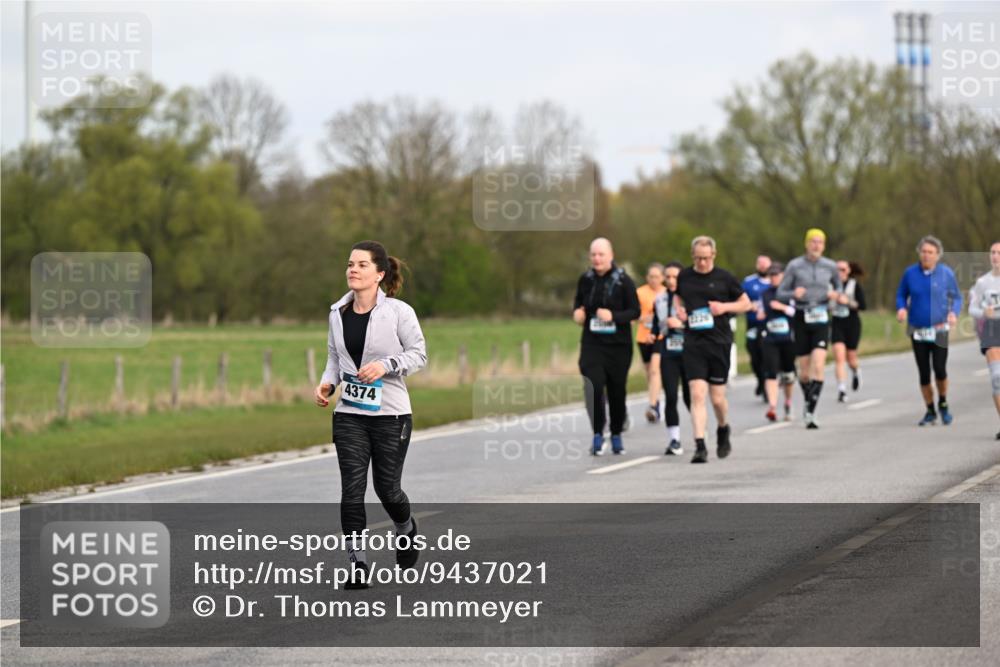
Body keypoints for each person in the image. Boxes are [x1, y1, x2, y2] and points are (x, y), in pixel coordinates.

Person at [314, 240, 427, 589]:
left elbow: (419, 355)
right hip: (350, 413)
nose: (352, 269)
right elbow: (336, 358)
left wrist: (385, 365)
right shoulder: (338, 313)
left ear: (379, 274)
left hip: (392, 414)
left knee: (387, 489)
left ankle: (406, 528)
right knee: (352, 489)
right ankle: (358, 565)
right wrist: (327, 384)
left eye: (361, 265)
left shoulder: (398, 312)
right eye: (350, 264)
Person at [674, 236, 752, 463]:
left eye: (706, 259)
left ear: (713, 256)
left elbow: (746, 303)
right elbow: (678, 297)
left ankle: (723, 427)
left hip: (718, 342)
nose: (702, 263)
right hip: (693, 342)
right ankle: (700, 445)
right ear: (692, 256)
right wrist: (679, 311)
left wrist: (724, 307)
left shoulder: (725, 278)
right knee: (697, 393)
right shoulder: (685, 276)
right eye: (698, 259)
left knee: (717, 398)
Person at [573, 238, 641, 455]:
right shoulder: (586, 280)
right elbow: (578, 305)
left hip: (618, 346)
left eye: (601, 254)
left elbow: (635, 312)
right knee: (593, 386)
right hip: (592, 343)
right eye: (593, 254)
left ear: (611, 256)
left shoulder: (624, 281)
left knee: (616, 391)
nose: (597, 259)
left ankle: (616, 433)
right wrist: (578, 314)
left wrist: (613, 316)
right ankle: (597, 434)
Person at [777, 228, 845, 429]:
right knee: (804, 371)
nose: (816, 245)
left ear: (824, 246)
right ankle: (809, 400)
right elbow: (781, 292)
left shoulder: (830, 266)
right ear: (806, 244)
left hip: (822, 316)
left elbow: (839, 288)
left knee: (819, 363)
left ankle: (811, 411)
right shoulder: (795, 265)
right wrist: (793, 293)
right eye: (813, 242)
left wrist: (836, 295)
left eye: (820, 242)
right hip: (801, 317)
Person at [896, 235, 963, 426]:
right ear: (919, 253)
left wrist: (953, 313)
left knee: (940, 370)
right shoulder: (910, 273)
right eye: (923, 252)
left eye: (930, 252)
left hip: (940, 328)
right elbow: (901, 294)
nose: (926, 256)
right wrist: (901, 308)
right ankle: (930, 410)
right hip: (917, 329)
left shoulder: (946, 273)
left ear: (938, 255)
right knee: (924, 373)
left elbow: (957, 297)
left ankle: (943, 401)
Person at [651, 261, 691, 455]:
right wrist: (654, 333)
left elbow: (703, 323)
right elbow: (656, 324)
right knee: (671, 395)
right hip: (669, 351)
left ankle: (701, 431)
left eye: (675, 276)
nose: (671, 280)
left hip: (690, 351)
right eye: (667, 276)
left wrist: (682, 325)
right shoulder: (659, 299)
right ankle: (674, 439)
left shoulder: (691, 297)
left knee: (691, 396)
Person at [968, 241, 1000, 439]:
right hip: (991, 329)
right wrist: (983, 312)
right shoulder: (982, 283)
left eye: (999, 253)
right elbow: (972, 308)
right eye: (993, 253)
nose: (995, 256)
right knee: (997, 378)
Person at [759, 262, 797, 422]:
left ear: (783, 276)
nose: (774, 278)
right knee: (771, 373)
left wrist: (781, 307)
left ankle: (788, 402)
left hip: (788, 339)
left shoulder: (790, 292)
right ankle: (772, 407)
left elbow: (795, 312)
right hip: (771, 338)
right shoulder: (766, 293)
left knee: (788, 375)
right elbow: (764, 310)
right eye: (771, 275)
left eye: (776, 275)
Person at [832, 260, 867, 403]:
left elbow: (863, 306)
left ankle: (856, 371)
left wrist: (848, 302)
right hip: (836, 323)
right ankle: (842, 389)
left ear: (848, 271)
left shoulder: (854, 285)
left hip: (852, 323)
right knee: (839, 357)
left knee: (851, 358)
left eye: (843, 269)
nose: (840, 272)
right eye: (837, 269)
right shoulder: (830, 286)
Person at [636, 263, 666, 423]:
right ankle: (656, 399)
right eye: (651, 276)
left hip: (660, 337)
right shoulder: (640, 292)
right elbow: (632, 314)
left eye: (656, 276)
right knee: (649, 373)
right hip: (643, 337)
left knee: (655, 370)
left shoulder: (667, 293)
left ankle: (652, 406)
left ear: (662, 278)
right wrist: (642, 318)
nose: (653, 280)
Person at [742, 255, 772, 401]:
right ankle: (760, 379)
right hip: (753, 324)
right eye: (760, 264)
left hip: (769, 324)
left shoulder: (775, 281)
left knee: (765, 352)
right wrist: (749, 306)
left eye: (765, 264)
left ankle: (767, 385)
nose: (762, 267)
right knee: (753, 354)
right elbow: (740, 299)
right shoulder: (748, 282)